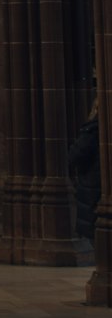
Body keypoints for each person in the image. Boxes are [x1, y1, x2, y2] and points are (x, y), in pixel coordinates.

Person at [69, 101, 100, 243]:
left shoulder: (93, 129)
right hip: (95, 187)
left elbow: (74, 155)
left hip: (93, 188)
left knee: (98, 234)